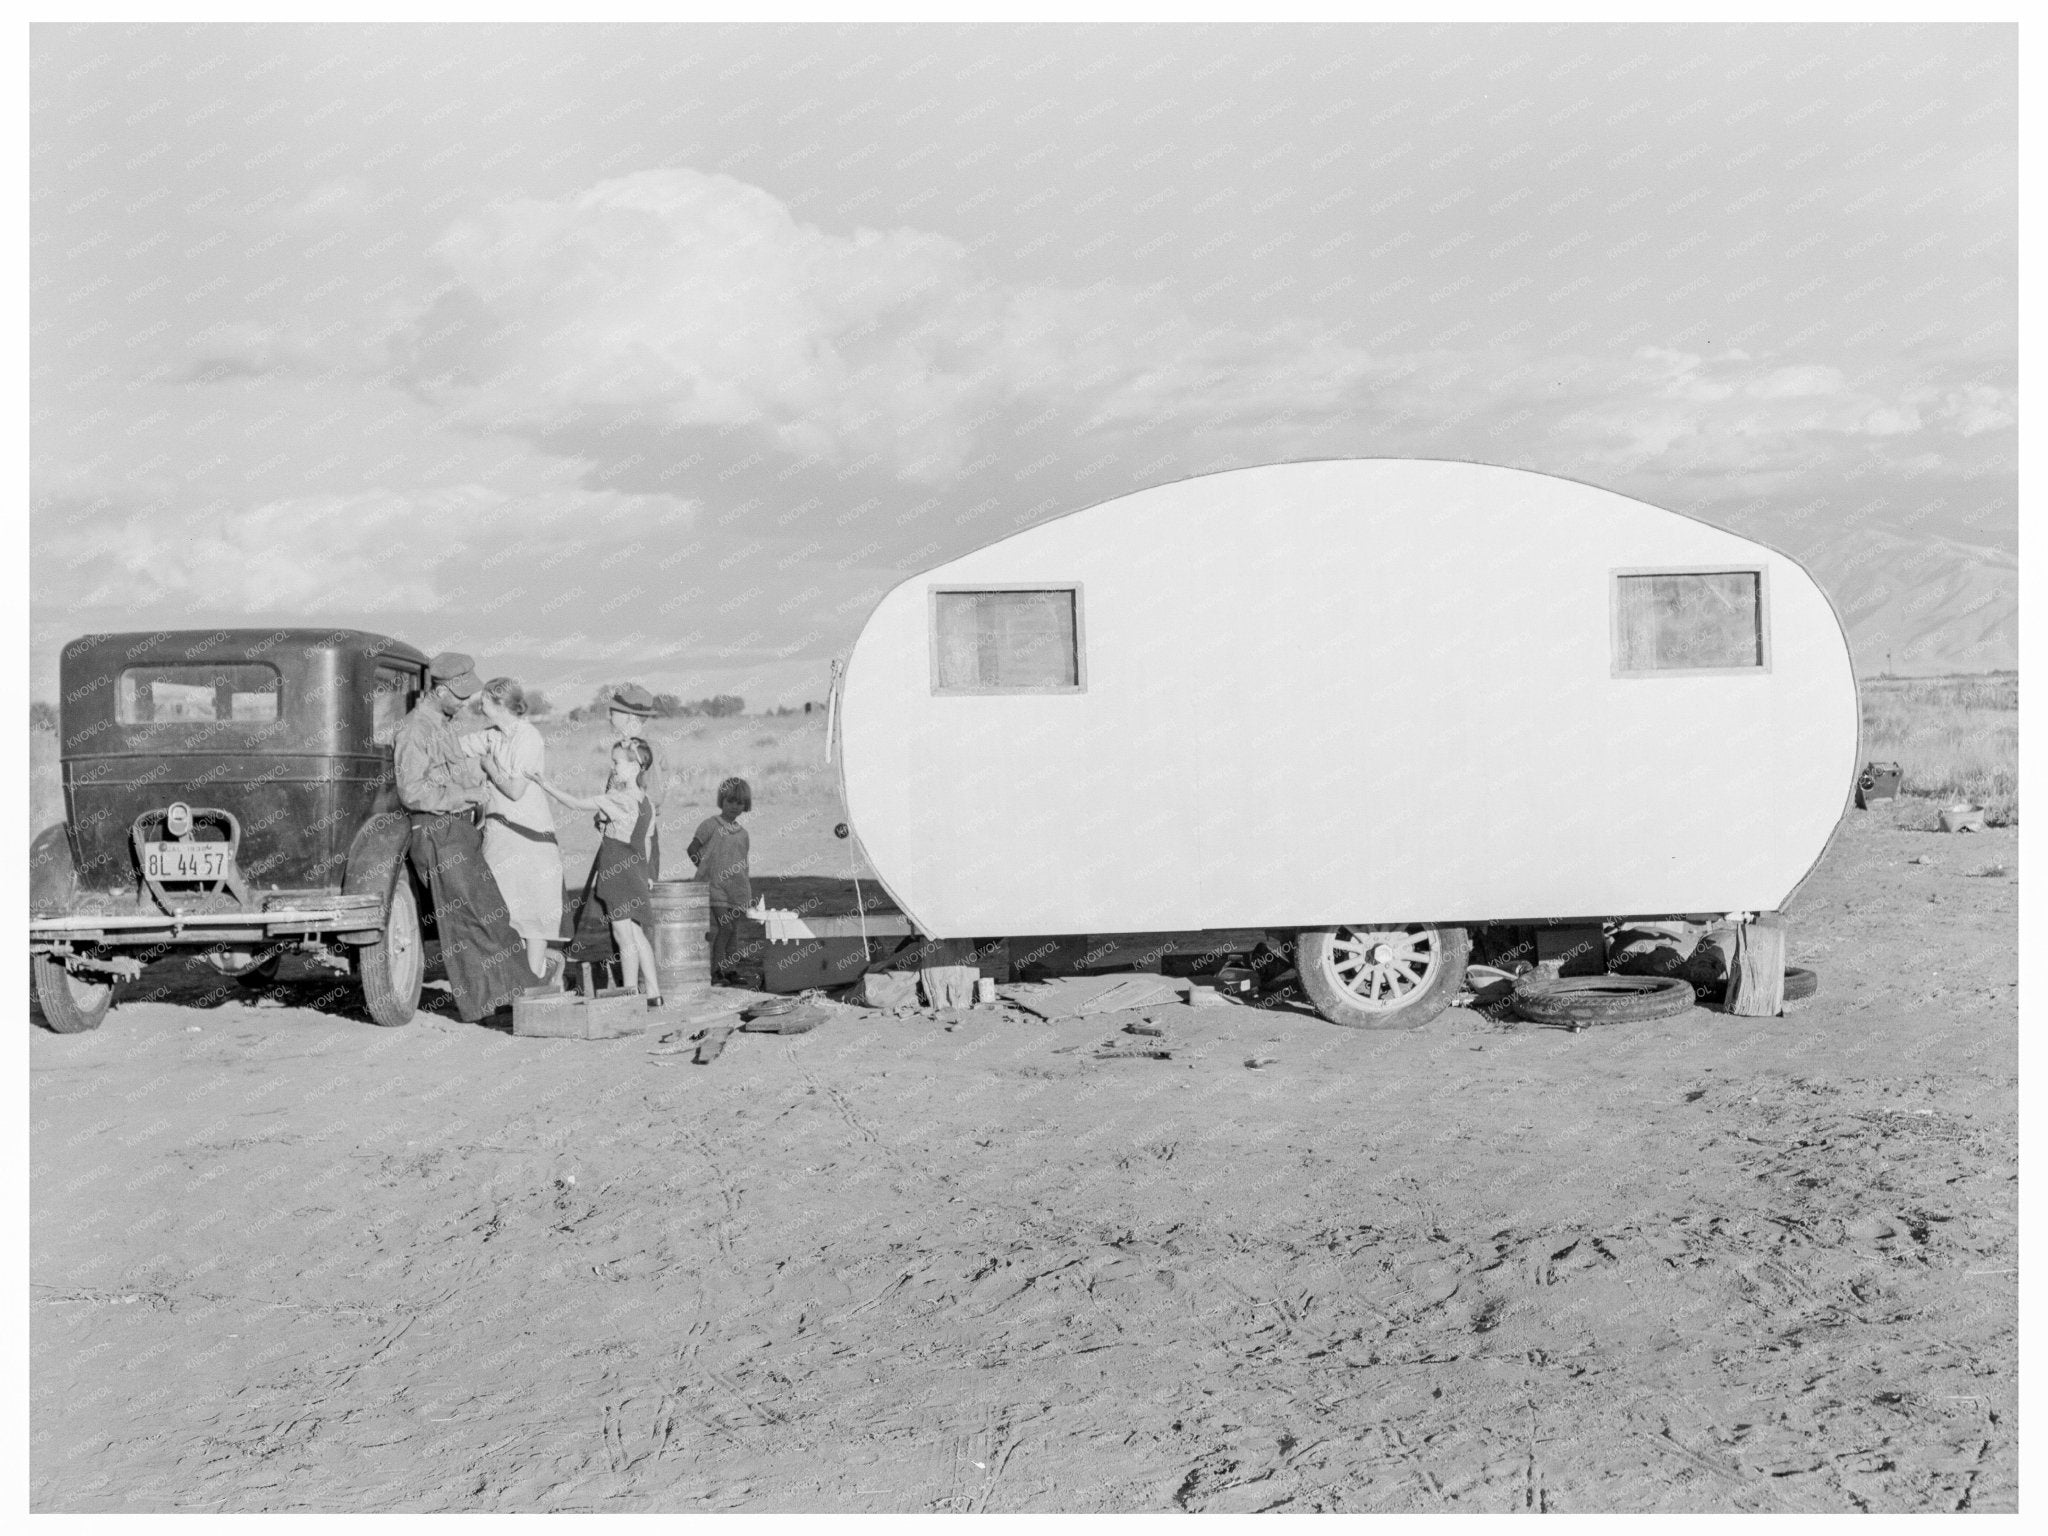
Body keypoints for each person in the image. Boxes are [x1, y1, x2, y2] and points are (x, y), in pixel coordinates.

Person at [393, 652, 551, 1021]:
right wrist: (465, 796)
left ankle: (507, 995)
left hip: (456, 832)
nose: (466, 704)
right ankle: (499, 1000)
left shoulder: (443, 725)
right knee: (469, 921)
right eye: (461, 696)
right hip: (437, 832)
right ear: (441, 690)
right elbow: (412, 792)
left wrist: (471, 788)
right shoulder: (416, 729)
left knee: (487, 916)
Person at [535, 739, 662, 1007]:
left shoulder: (619, 799)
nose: (613, 768)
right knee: (636, 933)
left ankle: (629, 995)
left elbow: (575, 804)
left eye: (617, 762)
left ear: (634, 766)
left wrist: (545, 785)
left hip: (617, 871)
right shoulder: (647, 802)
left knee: (622, 935)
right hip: (636, 870)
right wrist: (648, 874)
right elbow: (648, 841)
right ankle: (653, 993)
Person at [464, 677, 563, 982]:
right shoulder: (493, 735)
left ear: (499, 703)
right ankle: (521, 981)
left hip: (529, 837)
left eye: (484, 700)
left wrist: (489, 768)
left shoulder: (528, 737)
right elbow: (455, 748)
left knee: (534, 915)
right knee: (505, 912)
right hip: (499, 837)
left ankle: (534, 980)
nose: (479, 704)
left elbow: (516, 790)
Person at [688, 776, 753, 984]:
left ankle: (730, 970)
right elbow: (693, 849)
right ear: (721, 801)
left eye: (739, 802)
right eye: (729, 801)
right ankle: (715, 972)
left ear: (746, 805)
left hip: (737, 889)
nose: (734, 806)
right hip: (715, 887)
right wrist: (706, 869)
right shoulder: (710, 825)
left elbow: (742, 863)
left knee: (734, 932)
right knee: (725, 928)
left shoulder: (743, 834)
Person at [606, 684, 668, 877]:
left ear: (631, 717)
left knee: (640, 896)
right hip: (618, 834)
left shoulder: (646, 749)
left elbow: (655, 796)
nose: (609, 716)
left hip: (638, 836)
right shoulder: (623, 748)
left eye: (613, 711)